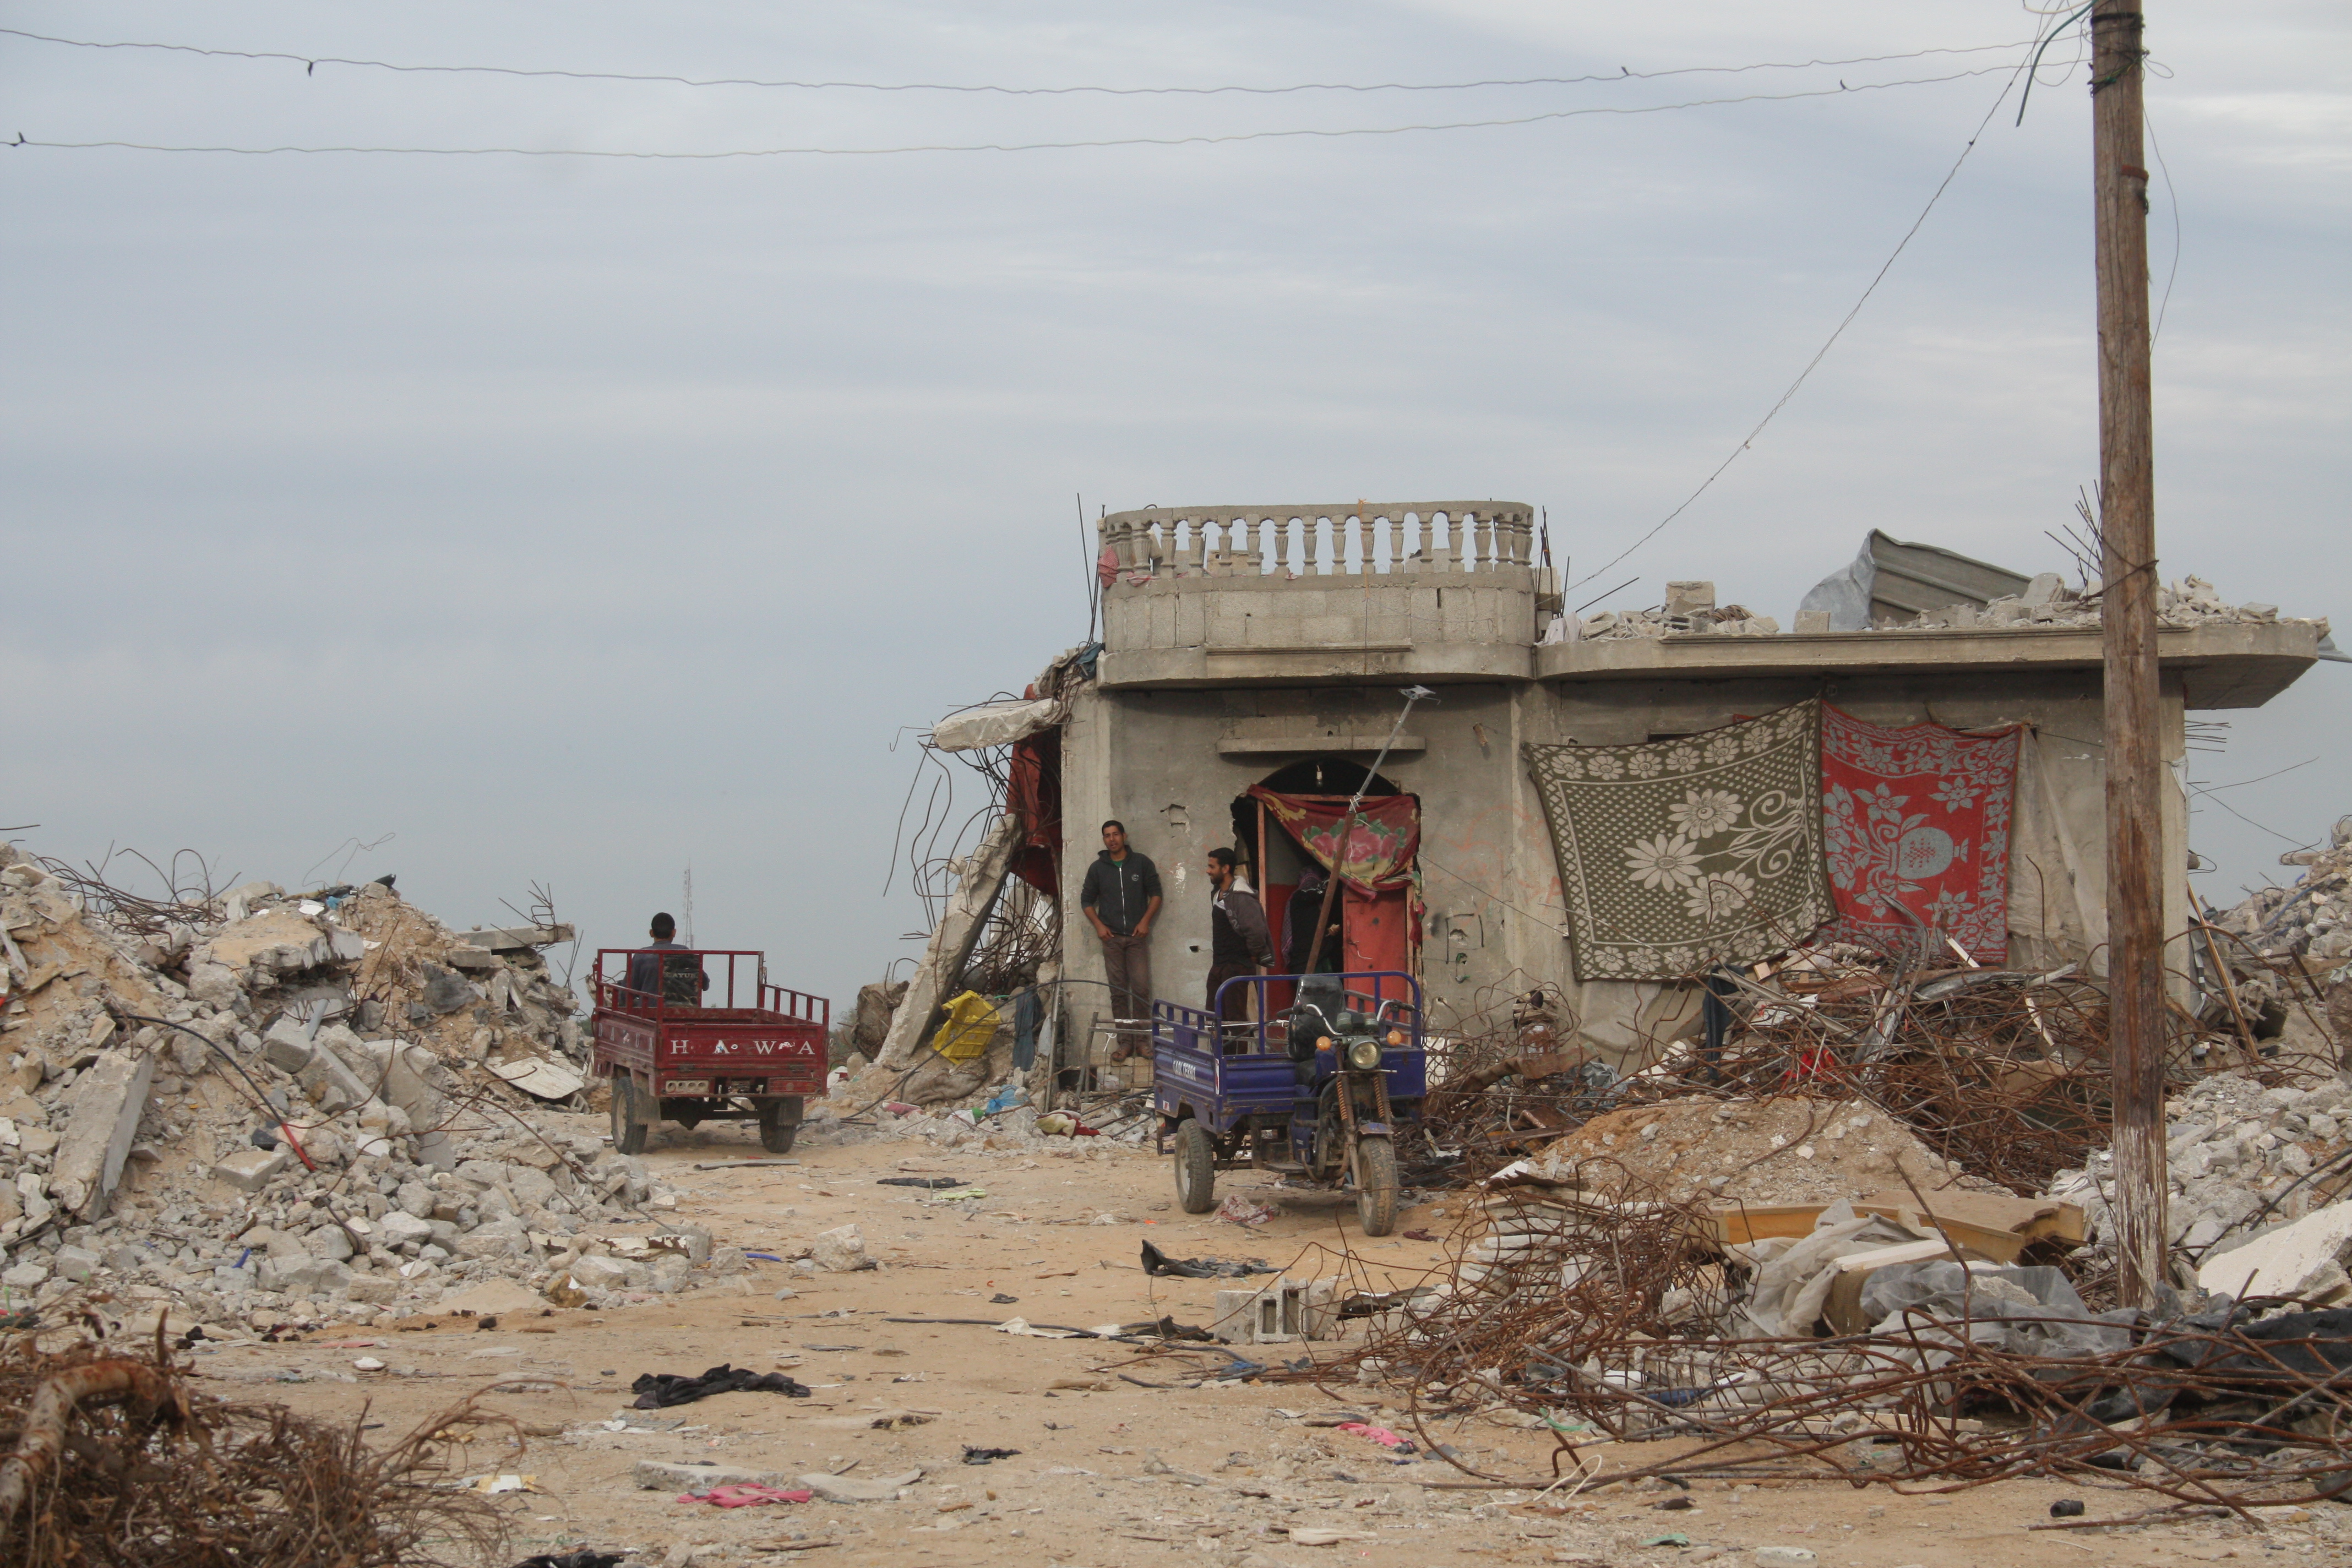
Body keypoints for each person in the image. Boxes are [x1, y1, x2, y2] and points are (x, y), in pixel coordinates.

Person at [1080, 820, 1162, 1058]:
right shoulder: (1098, 868)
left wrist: (1145, 921)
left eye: (1116, 834)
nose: (1112, 839)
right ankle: (1125, 1043)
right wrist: (1099, 926)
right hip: (1112, 939)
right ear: (1104, 840)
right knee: (1118, 993)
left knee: (1141, 990)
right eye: (1107, 836)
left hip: (1136, 938)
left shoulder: (1141, 863)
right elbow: (1086, 901)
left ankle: (1143, 1042)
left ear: (1124, 836)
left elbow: (1156, 894)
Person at [1206, 847, 1275, 1031]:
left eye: (1212, 867)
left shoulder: (1241, 897)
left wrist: (1251, 957)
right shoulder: (1217, 894)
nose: (1208, 871)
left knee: (1235, 1021)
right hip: (1220, 964)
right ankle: (1219, 1058)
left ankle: (1237, 1059)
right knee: (1213, 1018)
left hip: (1236, 965)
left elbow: (1256, 932)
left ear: (1225, 869)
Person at [624, 912, 707, 1008]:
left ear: (651, 933)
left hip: (649, 1014)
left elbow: (626, 993)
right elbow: (705, 984)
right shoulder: (686, 953)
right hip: (685, 1015)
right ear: (674, 932)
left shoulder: (642, 955)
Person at [1283, 863, 1341, 975]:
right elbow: (1321, 891)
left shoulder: (1318, 905)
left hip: (1317, 956)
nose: (1310, 884)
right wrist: (1335, 875)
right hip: (1306, 959)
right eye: (1309, 880)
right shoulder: (1300, 896)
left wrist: (1330, 932)